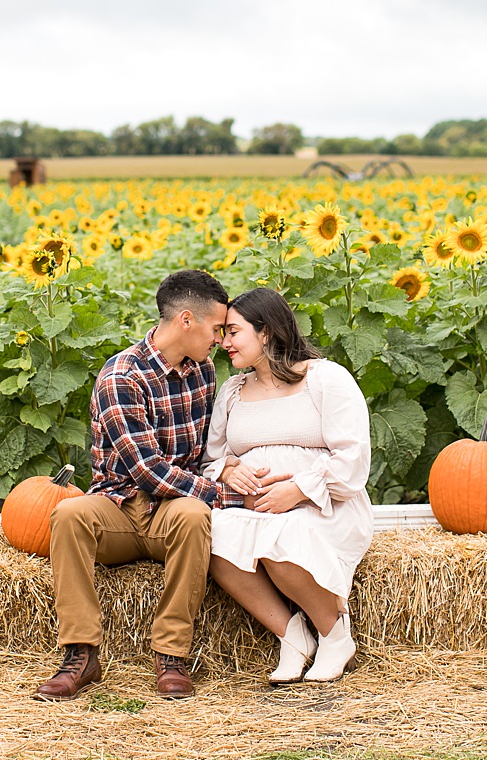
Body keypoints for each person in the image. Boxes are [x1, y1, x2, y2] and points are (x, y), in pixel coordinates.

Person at [34, 270, 288, 702]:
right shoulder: (122, 377)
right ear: (186, 321)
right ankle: (80, 654)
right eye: (215, 329)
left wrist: (226, 466)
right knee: (69, 513)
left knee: (193, 515)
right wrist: (237, 496)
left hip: (173, 510)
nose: (221, 340)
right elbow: (148, 470)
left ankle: (172, 656)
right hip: (121, 506)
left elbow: (210, 446)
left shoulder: (203, 373)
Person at [202, 287, 374, 683]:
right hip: (253, 508)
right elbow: (211, 460)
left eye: (233, 332)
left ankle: (334, 635)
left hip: (325, 505)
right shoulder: (232, 393)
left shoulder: (325, 379)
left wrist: (298, 490)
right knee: (210, 534)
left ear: (265, 332)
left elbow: (353, 459)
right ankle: (291, 634)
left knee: (283, 534)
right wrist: (228, 469)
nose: (223, 343)